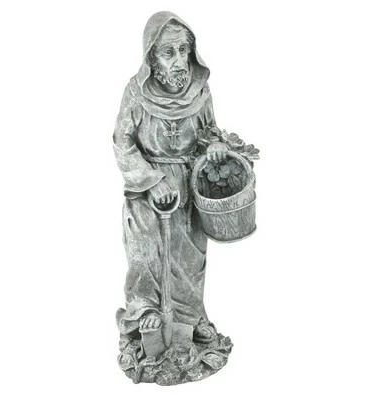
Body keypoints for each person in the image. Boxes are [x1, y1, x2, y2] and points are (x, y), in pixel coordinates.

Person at [113, 11, 228, 344]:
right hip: (148, 191)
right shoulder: (136, 93)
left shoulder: (200, 92)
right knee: (146, 248)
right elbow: (122, 142)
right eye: (168, 52)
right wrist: (151, 180)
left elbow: (209, 132)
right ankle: (145, 311)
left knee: (189, 257)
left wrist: (215, 146)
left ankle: (191, 317)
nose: (179, 61)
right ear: (152, 58)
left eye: (183, 50)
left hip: (189, 188)